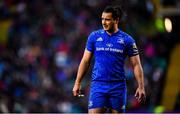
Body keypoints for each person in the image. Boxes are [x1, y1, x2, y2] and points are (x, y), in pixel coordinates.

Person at [72, 5, 146, 113]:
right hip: (98, 85)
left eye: (107, 19)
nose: (104, 22)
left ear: (116, 20)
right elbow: (85, 61)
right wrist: (77, 82)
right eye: (102, 19)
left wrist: (141, 86)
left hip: (118, 87)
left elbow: (136, 65)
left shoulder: (127, 40)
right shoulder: (94, 37)